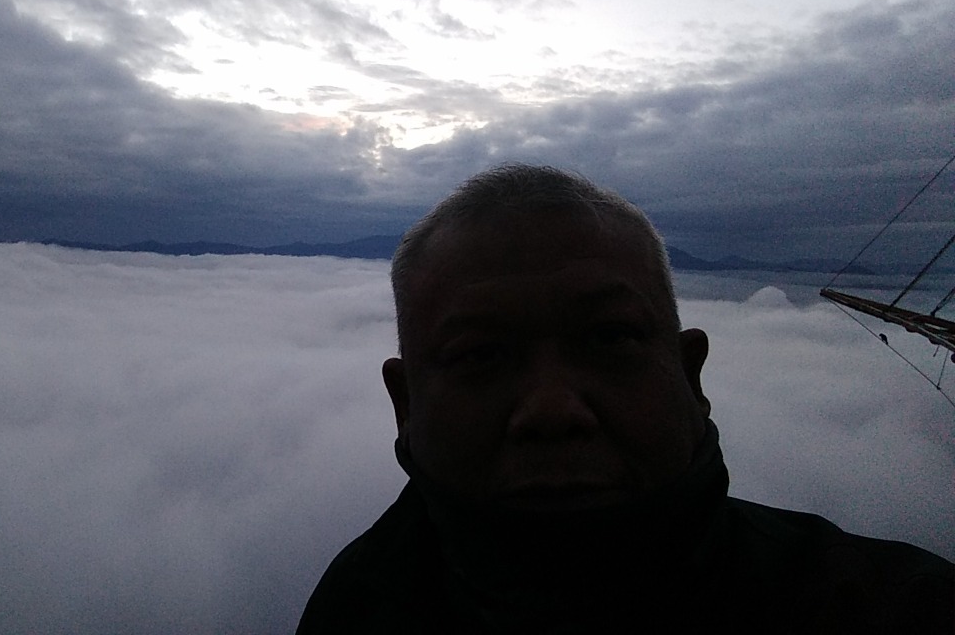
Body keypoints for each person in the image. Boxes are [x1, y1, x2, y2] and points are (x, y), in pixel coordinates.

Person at [297, 164, 954, 634]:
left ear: (691, 376)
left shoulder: (895, 609)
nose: (552, 410)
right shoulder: (353, 608)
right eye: (479, 355)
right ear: (405, 405)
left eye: (610, 338)